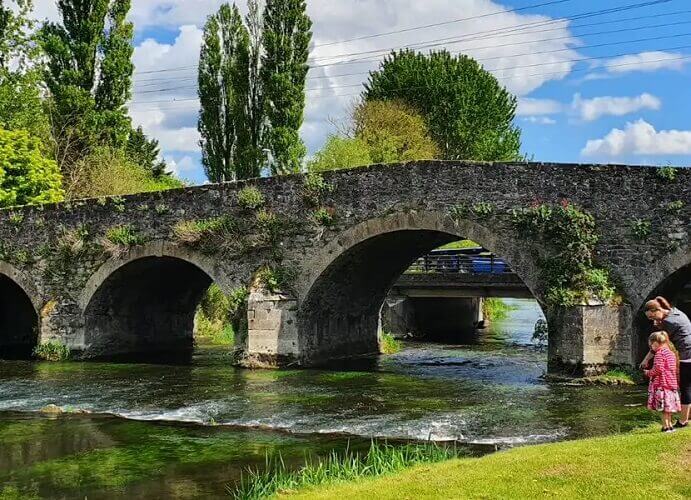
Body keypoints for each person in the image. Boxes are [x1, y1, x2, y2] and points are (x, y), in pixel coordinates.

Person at [641, 296, 691, 428]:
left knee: (686, 388)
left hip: (687, 356)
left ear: (656, 310)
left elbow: (659, 344)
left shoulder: (669, 322)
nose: (653, 321)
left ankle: (683, 421)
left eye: (653, 318)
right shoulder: (676, 311)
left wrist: (646, 361)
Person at [644, 331, 681, 432]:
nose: (651, 348)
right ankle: (670, 425)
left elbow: (658, 369)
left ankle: (665, 427)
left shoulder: (659, 354)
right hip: (671, 384)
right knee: (668, 408)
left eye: (651, 346)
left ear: (655, 343)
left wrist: (648, 372)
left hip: (662, 384)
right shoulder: (671, 353)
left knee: (663, 408)